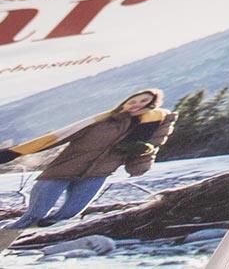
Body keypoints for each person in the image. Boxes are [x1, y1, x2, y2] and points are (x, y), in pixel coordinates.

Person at [0, 89, 176, 248]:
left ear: (152, 105)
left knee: (69, 213)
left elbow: (152, 146)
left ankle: (26, 241)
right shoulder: (100, 121)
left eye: (144, 101)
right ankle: (4, 241)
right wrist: (14, 152)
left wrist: (144, 154)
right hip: (61, 171)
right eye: (133, 101)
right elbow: (56, 138)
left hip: (97, 175)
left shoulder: (148, 129)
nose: (137, 104)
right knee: (34, 215)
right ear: (124, 103)